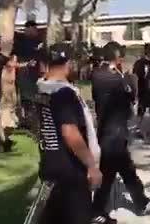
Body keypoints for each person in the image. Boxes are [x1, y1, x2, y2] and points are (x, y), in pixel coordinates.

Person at [91, 41, 150, 223]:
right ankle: (97, 211)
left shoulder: (97, 74)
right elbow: (131, 95)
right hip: (115, 131)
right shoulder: (116, 78)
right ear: (118, 57)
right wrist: (127, 78)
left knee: (122, 171)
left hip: (107, 129)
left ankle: (141, 202)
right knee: (114, 173)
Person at [36, 43, 101, 224]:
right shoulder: (63, 93)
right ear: (69, 63)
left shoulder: (43, 88)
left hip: (51, 163)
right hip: (70, 170)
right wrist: (91, 165)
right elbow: (69, 132)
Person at [13, 20, 43, 128]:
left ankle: (33, 120)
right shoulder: (20, 42)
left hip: (36, 74)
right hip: (23, 73)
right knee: (25, 99)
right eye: (29, 29)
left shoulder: (39, 42)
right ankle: (25, 120)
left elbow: (42, 58)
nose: (32, 32)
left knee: (35, 98)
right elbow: (15, 58)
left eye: (34, 29)